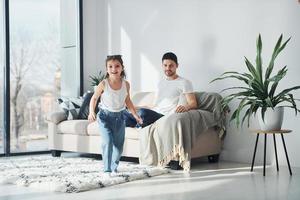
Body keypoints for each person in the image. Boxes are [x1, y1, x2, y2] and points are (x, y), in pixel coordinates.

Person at [88, 55, 143, 176]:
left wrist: (135, 115)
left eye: (117, 66)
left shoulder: (126, 84)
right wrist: (92, 112)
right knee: (107, 142)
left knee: (118, 147)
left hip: (120, 118)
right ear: (107, 69)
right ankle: (107, 170)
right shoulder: (103, 84)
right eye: (110, 66)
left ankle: (114, 166)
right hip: (104, 117)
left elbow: (128, 101)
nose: (114, 69)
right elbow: (94, 98)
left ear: (122, 68)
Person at [124, 52, 197, 128]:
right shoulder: (160, 83)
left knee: (143, 113)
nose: (168, 68)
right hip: (153, 113)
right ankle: (138, 124)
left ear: (177, 66)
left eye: (171, 65)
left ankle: (138, 124)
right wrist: (135, 107)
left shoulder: (184, 82)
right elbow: (154, 105)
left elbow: (193, 103)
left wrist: (185, 107)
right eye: (165, 65)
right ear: (162, 66)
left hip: (163, 116)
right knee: (124, 113)